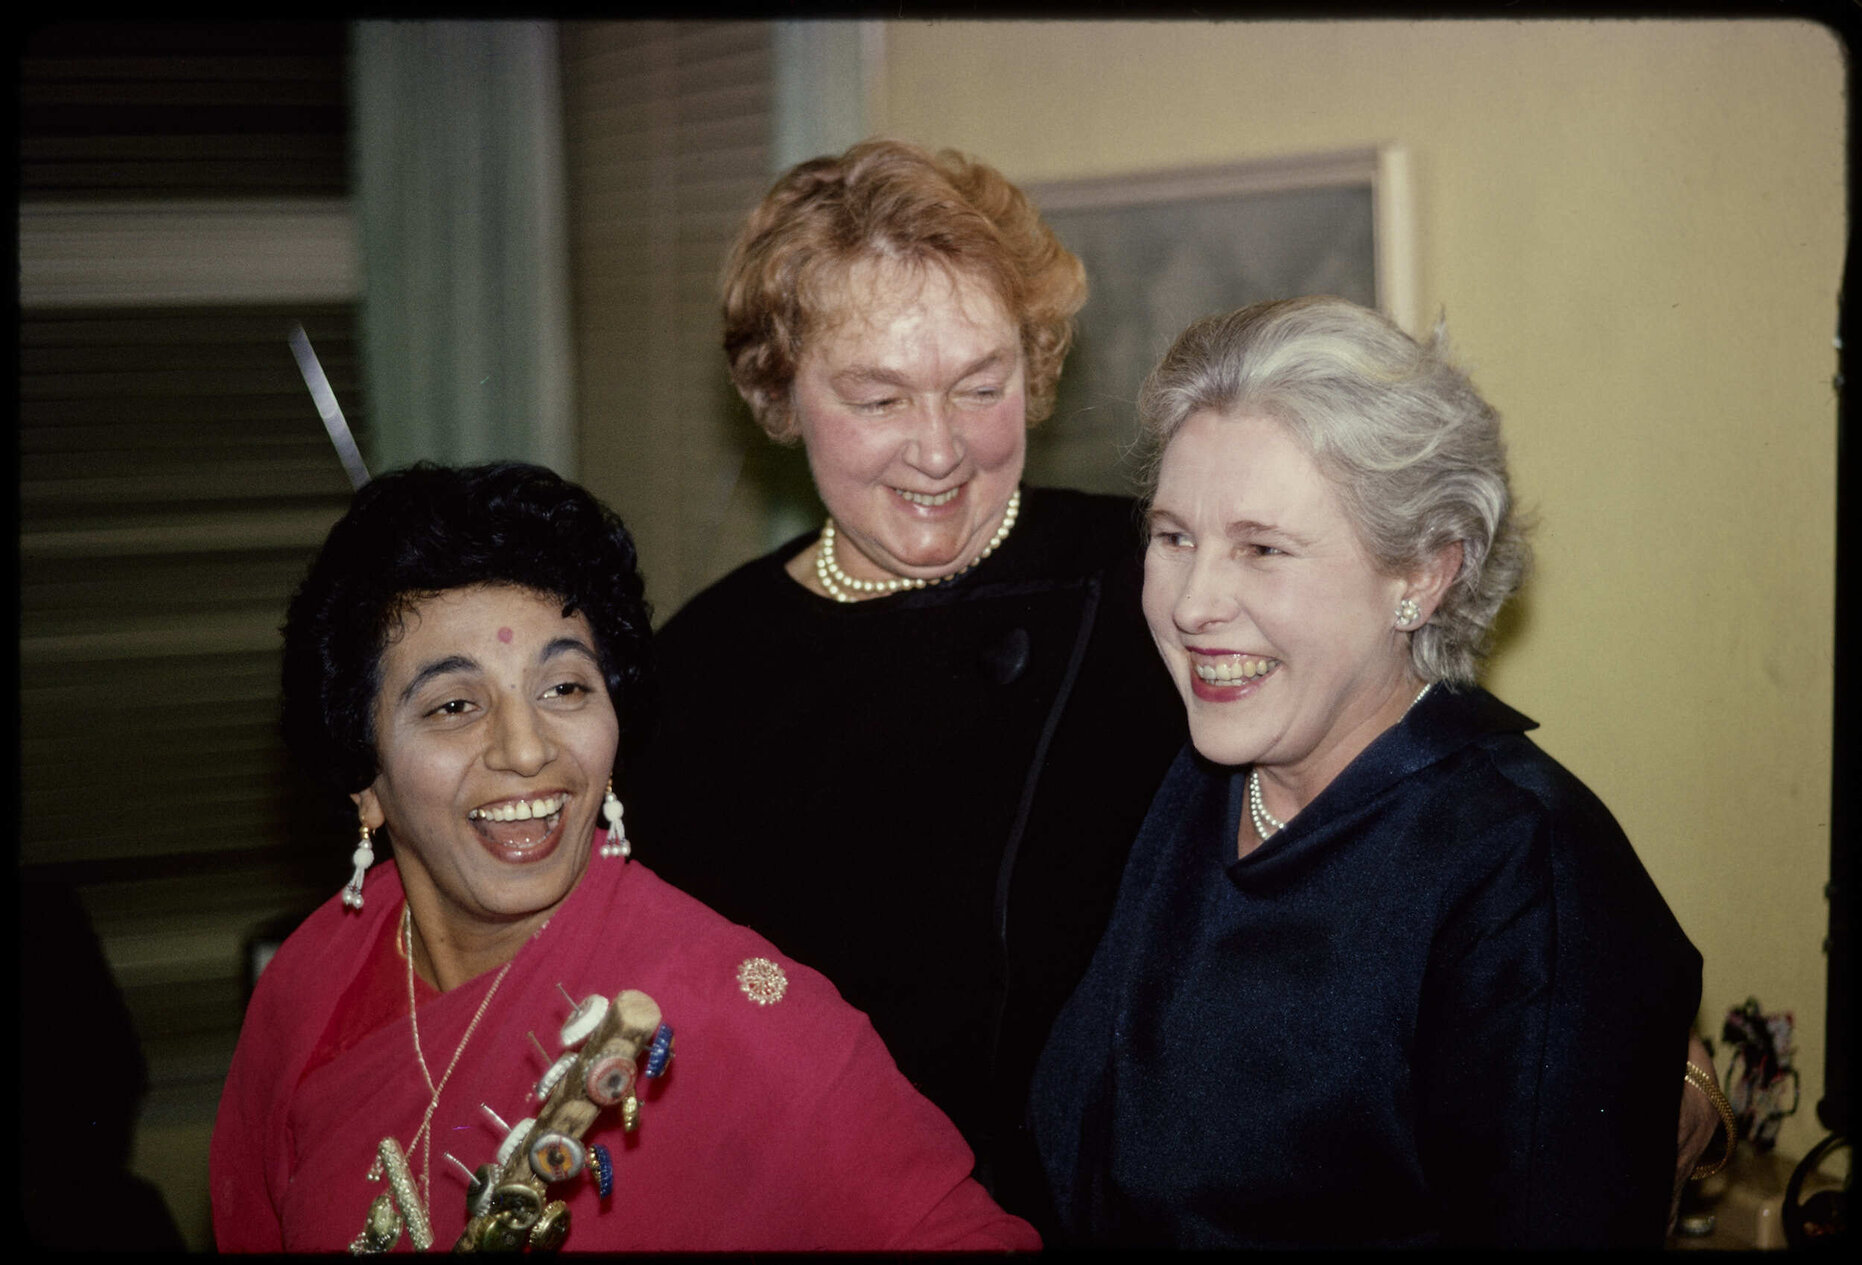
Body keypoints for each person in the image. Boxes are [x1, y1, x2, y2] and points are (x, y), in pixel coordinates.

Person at [209, 462, 1038, 1253]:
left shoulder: (732, 1011)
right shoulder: (314, 982)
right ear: (366, 781)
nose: (527, 749)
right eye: (455, 704)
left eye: (564, 687)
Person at [1029, 296, 1705, 1247]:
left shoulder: (1522, 875)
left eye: (1262, 548)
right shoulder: (1196, 775)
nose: (1194, 602)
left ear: (1422, 576)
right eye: (1175, 536)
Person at [625, 139, 1186, 1215]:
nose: (938, 450)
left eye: (980, 386)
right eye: (878, 399)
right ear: (779, 390)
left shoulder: (1154, 589)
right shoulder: (695, 673)